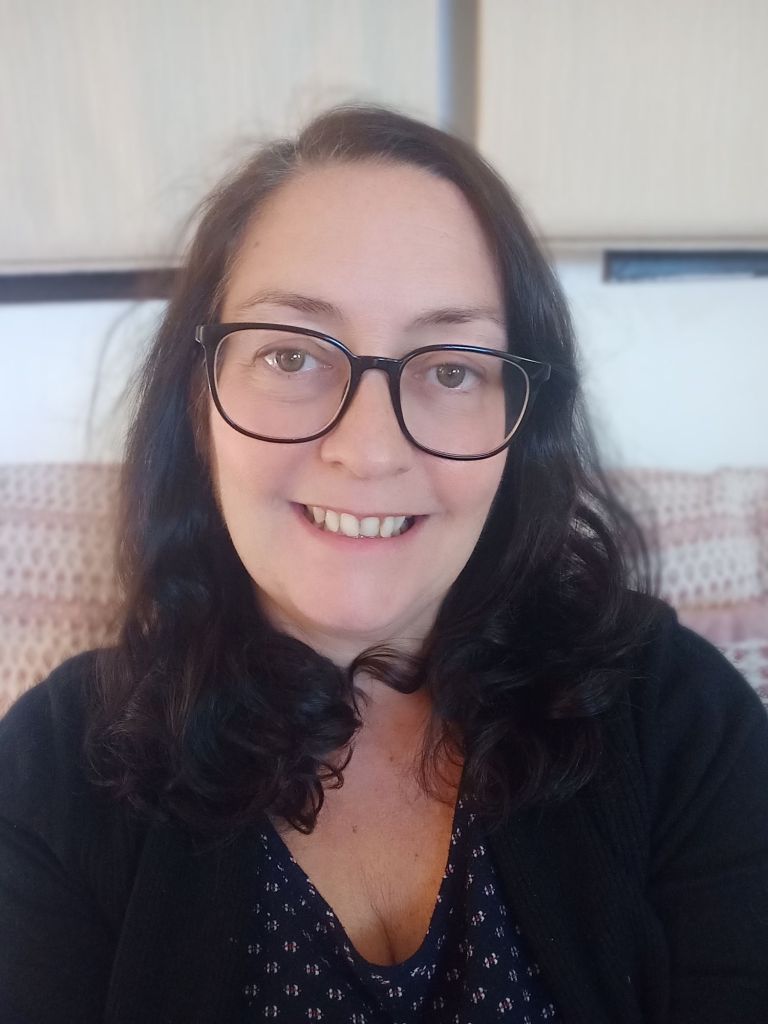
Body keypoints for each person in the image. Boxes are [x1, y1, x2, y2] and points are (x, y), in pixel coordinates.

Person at [1, 104, 766, 1024]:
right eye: (291, 355)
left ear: (521, 421)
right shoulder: (55, 769)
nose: (368, 452)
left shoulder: (676, 717)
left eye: (451, 368)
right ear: (196, 401)